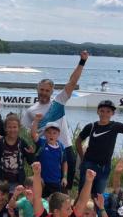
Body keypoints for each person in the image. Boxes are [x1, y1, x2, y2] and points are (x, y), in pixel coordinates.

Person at [21, 50, 90, 190]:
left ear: (52, 92)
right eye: (41, 89)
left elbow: (72, 82)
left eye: (47, 90)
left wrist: (82, 62)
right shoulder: (30, 111)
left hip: (65, 148)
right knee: (43, 188)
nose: (43, 93)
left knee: (65, 187)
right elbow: (28, 133)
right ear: (37, 89)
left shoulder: (59, 102)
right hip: (44, 151)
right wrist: (29, 148)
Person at [74, 99, 123, 196]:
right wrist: (82, 158)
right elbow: (78, 141)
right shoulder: (91, 126)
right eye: (102, 111)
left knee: (99, 197)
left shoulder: (115, 126)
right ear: (97, 111)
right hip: (88, 165)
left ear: (113, 113)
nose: (105, 114)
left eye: (108, 111)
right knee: (82, 195)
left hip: (105, 168)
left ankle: (97, 211)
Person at [0, 113, 35, 191]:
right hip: (0, 182)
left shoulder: (22, 143)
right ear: (5, 128)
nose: (12, 130)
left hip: (17, 183)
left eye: (15, 127)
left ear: (19, 128)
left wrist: (31, 154)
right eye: (9, 127)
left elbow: (32, 162)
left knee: (14, 203)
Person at [30, 118, 68, 198]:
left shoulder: (61, 147)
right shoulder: (42, 144)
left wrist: (64, 177)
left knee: (54, 204)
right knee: (41, 203)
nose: (51, 135)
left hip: (56, 182)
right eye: (49, 132)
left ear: (58, 134)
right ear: (45, 133)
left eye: (54, 133)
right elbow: (33, 134)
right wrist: (36, 120)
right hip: (42, 181)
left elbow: (64, 162)